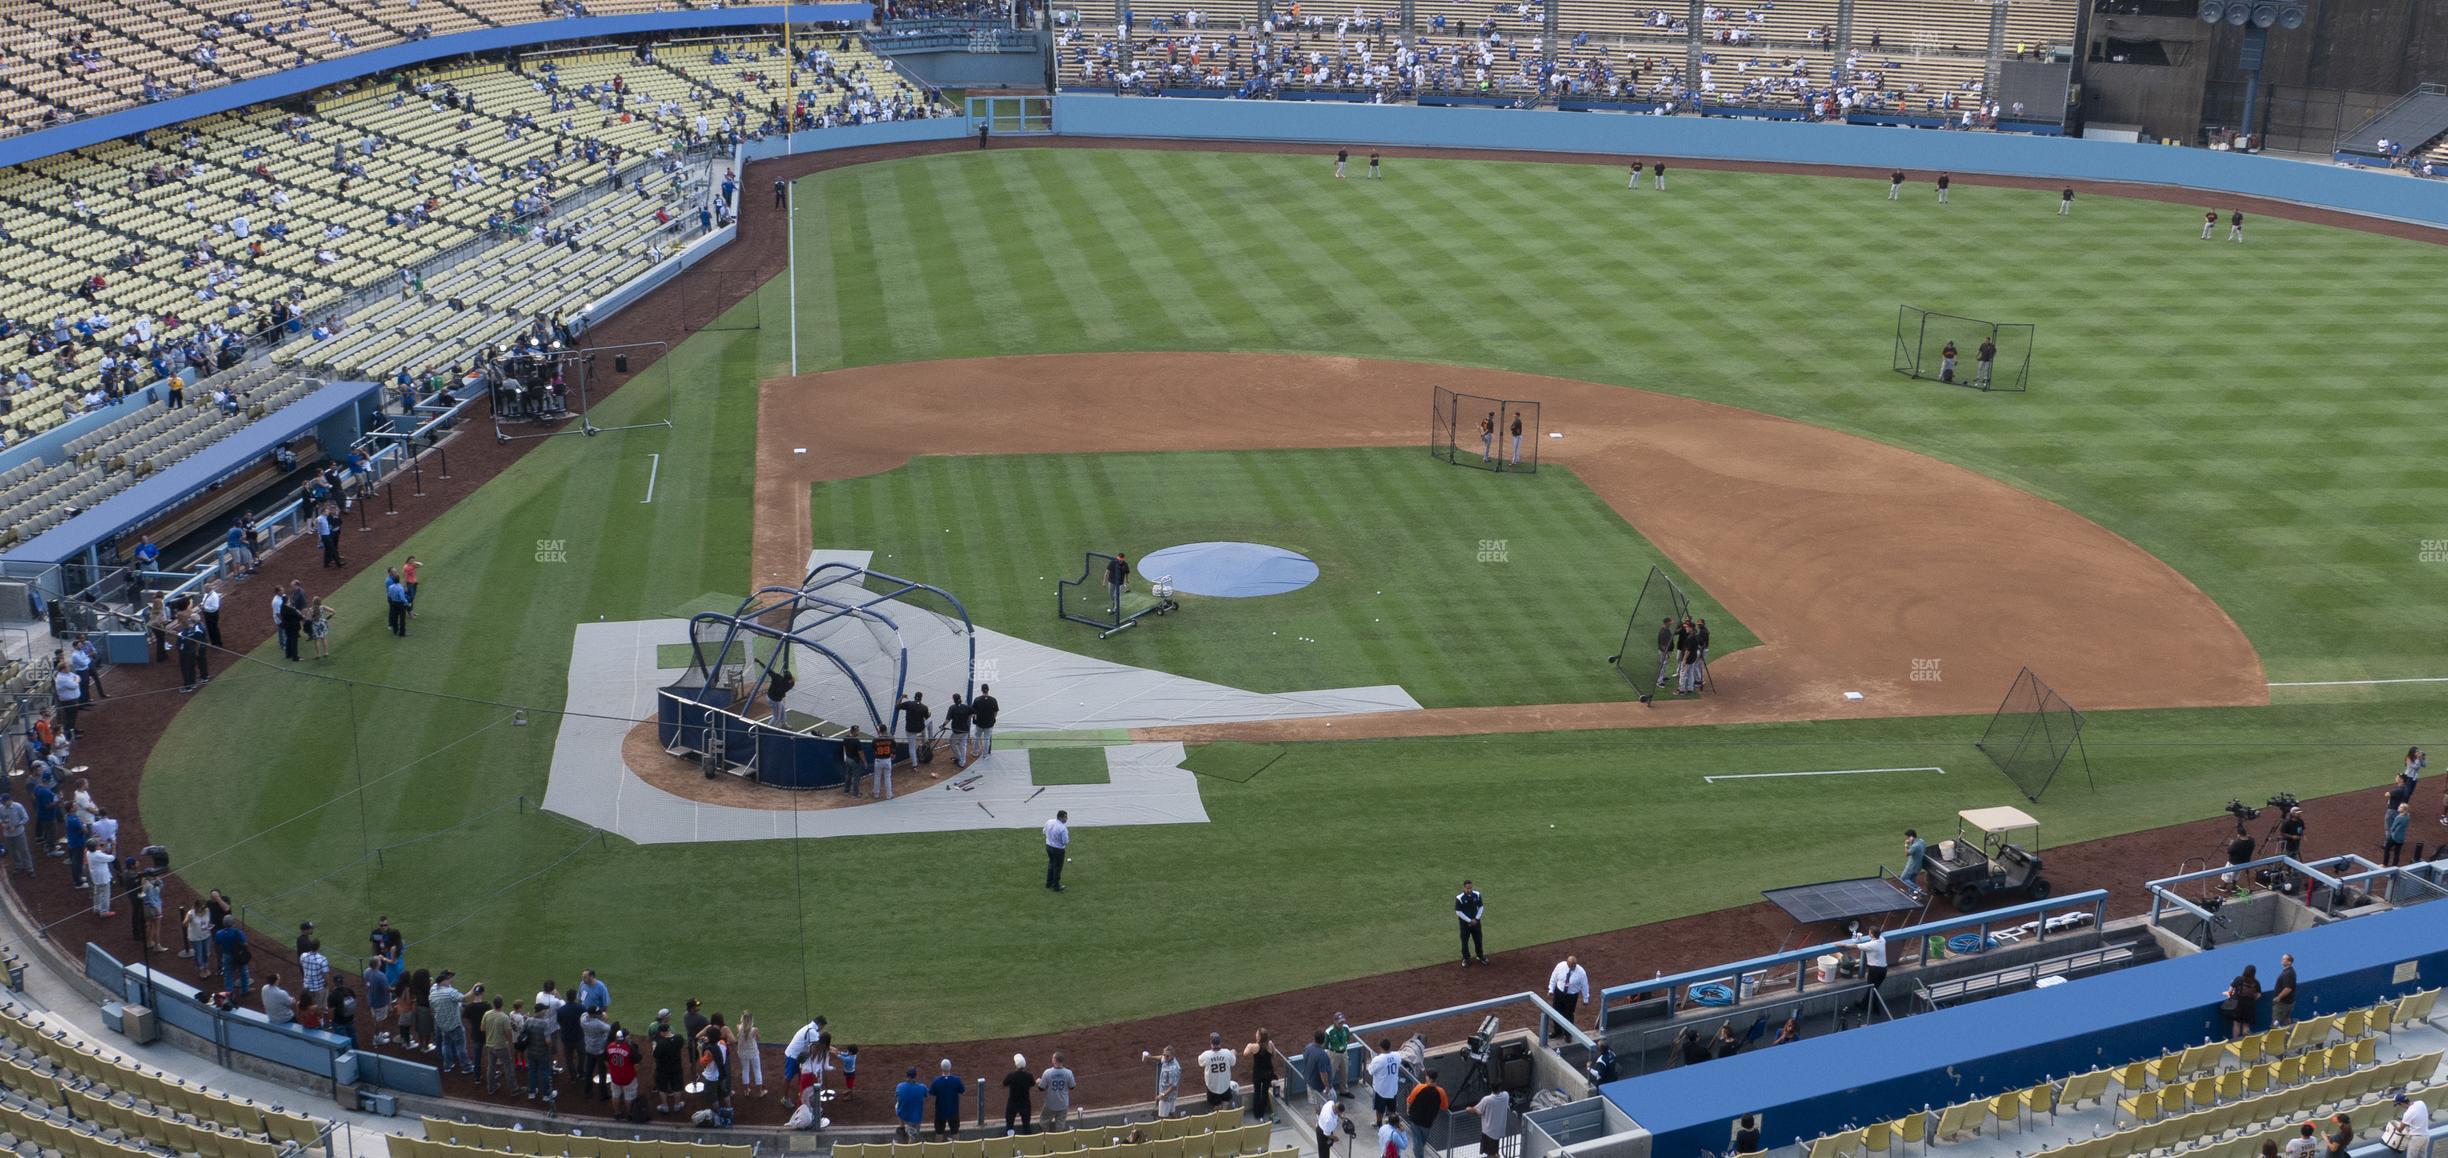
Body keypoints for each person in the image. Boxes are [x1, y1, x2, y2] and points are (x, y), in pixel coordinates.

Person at [1546, 956, 1590, 1041]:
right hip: (1559, 993)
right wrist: (1551, 989)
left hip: (1571, 997)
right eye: (1571, 965)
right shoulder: (1560, 966)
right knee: (1556, 1012)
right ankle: (1557, 1031)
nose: (1573, 967)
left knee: (1568, 1015)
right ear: (1567, 963)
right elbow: (1554, 977)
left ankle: (1568, 1034)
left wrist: (1586, 998)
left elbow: (1585, 985)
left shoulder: (1581, 972)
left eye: (1574, 965)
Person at [1403, 1071, 1446, 1158]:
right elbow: (1444, 1106)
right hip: (1428, 1122)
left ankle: (1419, 1155)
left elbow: (1409, 1100)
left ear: (1428, 1078)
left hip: (1415, 1118)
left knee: (1417, 1140)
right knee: (1421, 1141)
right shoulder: (1441, 1091)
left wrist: (1408, 1110)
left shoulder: (1419, 1087)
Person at [1365, 1040, 1404, 1126]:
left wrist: (1374, 1059)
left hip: (1381, 1090)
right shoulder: (1397, 1055)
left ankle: (1379, 1123)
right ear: (1390, 1046)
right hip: (1393, 1088)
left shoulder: (1378, 1059)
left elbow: (1370, 1071)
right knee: (1392, 1109)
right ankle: (1392, 1123)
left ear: (1381, 1047)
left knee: (1379, 1109)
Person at [605, 1026, 639, 1119]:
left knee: (615, 1095)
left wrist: (614, 1069)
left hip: (615, 1077)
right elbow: (636, 1063)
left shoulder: (609, 1046)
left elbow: (606, 1061)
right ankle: (629, 1114)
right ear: (625, 1038)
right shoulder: (630, 1048)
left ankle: (617, 1113)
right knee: (629, 1097)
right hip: (628, 1077)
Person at [1245, 1029, 1278, 1123]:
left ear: (1259, 1036)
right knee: (1264, 1092)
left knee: (1257, 1091)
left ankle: (1257, 1113)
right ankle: (1262, 1113)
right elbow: (1274, 1055)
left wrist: (1248, 1045)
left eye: (1256, 1033)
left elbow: (1245, 1053)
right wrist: (1272, 1045)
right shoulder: (1270, 1044)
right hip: (1268, 1072)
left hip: (1258, 1072)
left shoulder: (1253, 1046)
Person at [1198, 1031, 1237, 1108]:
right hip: (1225, 1085)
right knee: (1225, 1101)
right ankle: (1223, 1115)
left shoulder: (1206, 1055)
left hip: (1212, 1087)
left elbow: (1200, 1062)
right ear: (1220, 1042)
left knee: (1216, 1106)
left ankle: (1218, 1118)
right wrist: (1233, 1053)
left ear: (1211, 1042)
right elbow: (1233, 1062)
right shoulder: (1227, 1053)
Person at [2224, 963, 2261, 1039]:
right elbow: (2259, 995)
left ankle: (2235, 1040)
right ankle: (2246, 1043)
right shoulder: (2256, 982)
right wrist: (2252, 999)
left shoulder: (2238, 979)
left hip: (2238, 1005)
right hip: (2249, 1006)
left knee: (2236, 1024)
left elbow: (2230, 991)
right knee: (2246, 1025)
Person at [1040, 1052, 1076, 1129]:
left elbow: (1041, 1088)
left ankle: (1046, 1138)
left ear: (1055, 1060)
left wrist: (1038, 1082)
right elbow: (1072, 1087)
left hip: (1050, 1105)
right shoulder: (1069, 1073)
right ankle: (1059, 1139)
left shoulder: (1047, 1073)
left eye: (1053, 1058)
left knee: (1044, 1123)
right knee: (1060, 1125)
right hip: (1063, 1104)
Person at [1001, 1054, 1036, 1135]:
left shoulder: (1011, 1076)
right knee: (1026, 1126)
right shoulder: (1029, 1076)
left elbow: (1004, 1083)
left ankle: (1010, 1141)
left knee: (1009, 1125)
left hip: (1013, 1103)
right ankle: (1027, 1141)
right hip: (1025, 1103)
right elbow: (1033, 1083)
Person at [931, 1060, 965, 1139]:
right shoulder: (956, 1080)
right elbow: (962, 1090)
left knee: (939, 1132)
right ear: (950, 1067)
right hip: (953, 1112)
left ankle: (939, 1151)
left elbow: (932, 1092)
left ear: (941, 1068)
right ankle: (956, 1151)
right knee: (955, 1131)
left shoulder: (936, 1081)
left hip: (940, 1112)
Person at [2391, 1092, 2432, 1158]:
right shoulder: (2420, 1103)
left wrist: (2393, 1124)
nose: (2400, 1106)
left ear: (2401, 1103)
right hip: (2426, 1136)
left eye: (2399, 1104)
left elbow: (2400, 1129)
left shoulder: (2408, 1113)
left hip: (2416, 1139)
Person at [1455, 880, 1486, 967]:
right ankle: (1466, 958)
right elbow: (1458, 912)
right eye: (1467, 888)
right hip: (1465, 924)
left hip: (1476, 923)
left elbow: (1481, 907)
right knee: (1464, 942)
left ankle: (1480, 956)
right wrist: (1469, 920)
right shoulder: (1459, 898)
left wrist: (1476, 919)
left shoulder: (1477, 894)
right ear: (1464, 887)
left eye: (1470, 888)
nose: (1469, 890)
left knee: (1478, 940)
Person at [1325, 1013, 1356, 1096]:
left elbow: (1347, 1039)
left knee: (1345, 1072)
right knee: (1330, 1074)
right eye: (1339, 1022)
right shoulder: (1329, 1031)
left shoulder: (1346, 1028)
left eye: (1342, 1022)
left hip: (1344, 1053)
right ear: (1334, 1021)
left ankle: (1344, 1091)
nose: (1341, 1024)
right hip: (1333, 1054)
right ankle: (1328, 1093)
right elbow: (1325, 1045)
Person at [1146, 1044, 1181, 1117]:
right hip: (1171, 1096)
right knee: (1172, 1113)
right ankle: (1179, 1126)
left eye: (1167, 1056)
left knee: (1163, 1118)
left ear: (1173, 1055)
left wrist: (1162, 1095)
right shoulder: (1166, 1059)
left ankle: (1167, 1128)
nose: (1165, 1057)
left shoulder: (1173, 1069)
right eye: (1164, 1055)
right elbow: (1161, 1058)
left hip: (1166, 1097)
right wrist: (1150, 1057)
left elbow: (1173, 1086)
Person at [1476, 1090, 1511, 1158]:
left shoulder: (1487, 1099)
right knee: (1494, 1151)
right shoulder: (1505, 1095)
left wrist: (1468, 1109)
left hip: (1489, 1132)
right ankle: (1495, 1155)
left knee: (1491, 1153)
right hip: (1497, 1130)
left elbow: (1478, 1111)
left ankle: (1493, 1156)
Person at [895, 1068, 928, 1141]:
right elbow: (926, 1094)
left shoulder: (899, 1086)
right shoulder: (922, 1087)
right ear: (915, 1076)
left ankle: (902, 1126)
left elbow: (897, 1098)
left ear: (906, 1075)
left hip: (903, 1114)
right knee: (913, 1138)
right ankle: (908, 1150)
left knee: (897, 1105)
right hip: (914, 1118)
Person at [1044, 810, 1070, 891]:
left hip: (1048, 846)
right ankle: (1056, 886)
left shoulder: (1049, 821)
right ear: (1060, 817)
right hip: (1058, 850)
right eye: (1065, 817)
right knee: (1057, 867)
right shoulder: (1062, 828)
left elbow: (1044, 831)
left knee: (1051, 864)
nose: (1067, 819)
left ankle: (1048, 883)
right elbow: (1065, 841)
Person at [946, 693, 974, 767]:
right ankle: (962, 762)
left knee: (952, 743)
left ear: (954, 700)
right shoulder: (966, 707)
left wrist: (943, 725)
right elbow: (974, 712)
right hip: (965, 730)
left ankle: (958, 757)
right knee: (963, 746)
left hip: (957, 731)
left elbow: (948, 719)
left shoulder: (952, 707)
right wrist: (968, 717)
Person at [972, 684, 1000, 756]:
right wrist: (993, 718)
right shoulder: (993, 700)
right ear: (988, 690)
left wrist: (974, 719)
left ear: (981, 690)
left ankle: (975, 752)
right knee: (987, 739)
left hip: (979, 723)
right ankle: (985, 754)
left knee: (977, 737)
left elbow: (973, 712)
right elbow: (996, 711)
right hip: (989, 723)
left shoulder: (977, 699)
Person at [1900, 829, 1929, 895]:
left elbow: (1906, 854)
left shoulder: (1914, 846)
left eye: (1908, 837)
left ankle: (1917, 889)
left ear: (1911, 837)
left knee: (1903, 878)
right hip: (1918, 866)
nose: (1907, 839)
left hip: (1911, 867)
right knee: (1911, 880)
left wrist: (1906, 845)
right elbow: (1925, 847)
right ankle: (1912, 893)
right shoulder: (1921, 841)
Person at [386, 570, 411, 636]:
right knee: (402, 619)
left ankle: (395, 630)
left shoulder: (390, 587)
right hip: (400, 604)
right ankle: (402, 633)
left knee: (395, 617)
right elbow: (402, 598)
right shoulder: (400, 588)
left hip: (393, 603)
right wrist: (407, 603)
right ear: (399, 580)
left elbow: (389, 595)